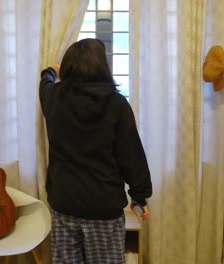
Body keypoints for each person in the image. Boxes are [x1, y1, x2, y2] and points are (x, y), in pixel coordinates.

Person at [39, 38, 152, 264]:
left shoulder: (53, 97)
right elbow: (131, 155)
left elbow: (46, 83)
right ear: (103, 66)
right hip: (103, 207)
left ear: (69, 66)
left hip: (64, 204)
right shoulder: (117, 104)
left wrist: (50, 70)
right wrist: (139, 196)